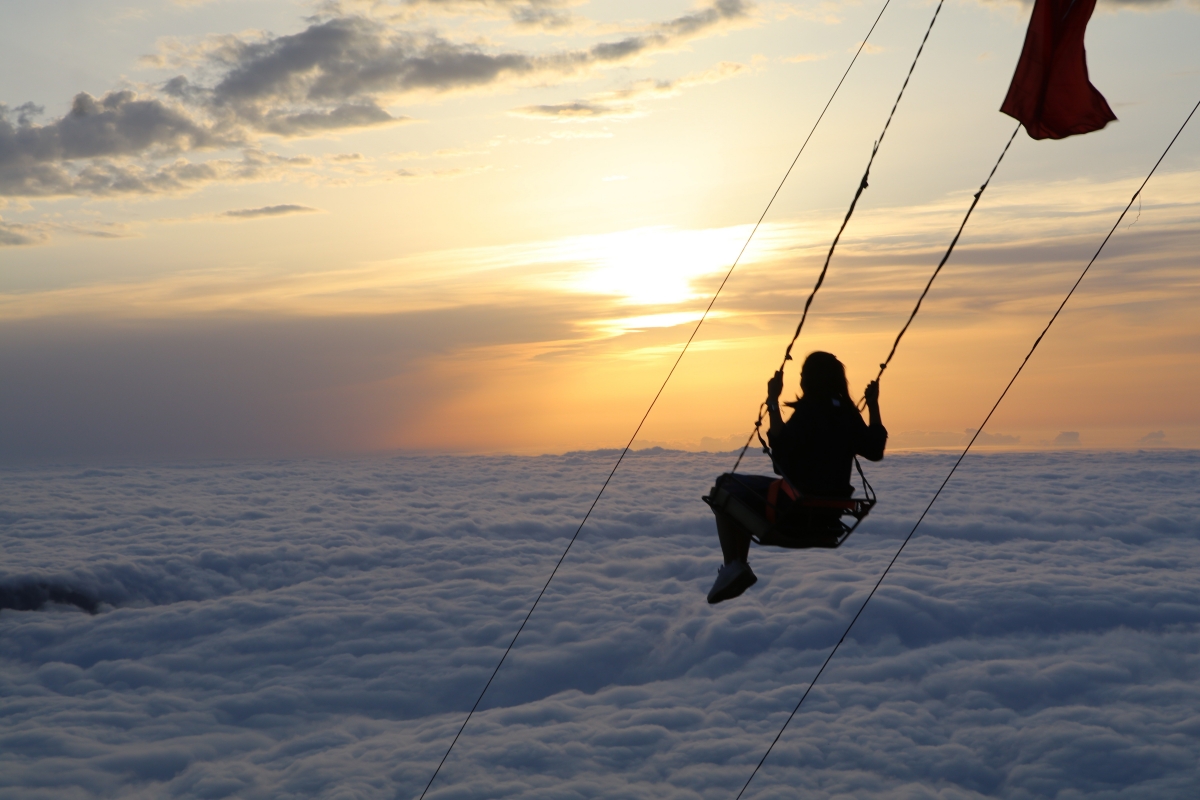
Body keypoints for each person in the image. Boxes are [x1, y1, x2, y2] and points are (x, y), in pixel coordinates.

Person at [706, 351, 887, 604]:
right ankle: (737, 567)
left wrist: (773, 401)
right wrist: (874, 405)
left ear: (810, 380)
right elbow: (875, 450)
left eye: (802, 375)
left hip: (794, 511)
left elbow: (781, 460)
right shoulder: (847, 413)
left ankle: (733, 564)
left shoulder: (808, 412)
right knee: (739, 487)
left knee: (725, 486)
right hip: (828, 518)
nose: (800, 380)